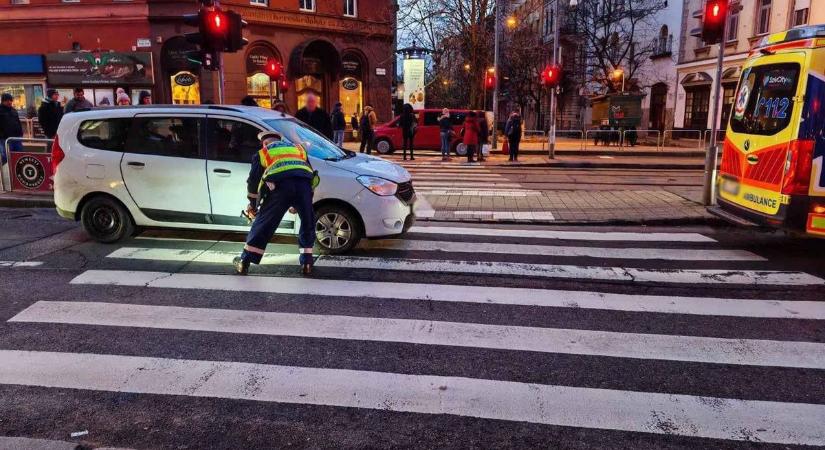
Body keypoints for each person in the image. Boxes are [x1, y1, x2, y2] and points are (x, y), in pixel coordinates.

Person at [234, 131, 319, 276]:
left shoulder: (263, 153)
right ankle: (307, 263)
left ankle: (244, 262)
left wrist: (253, 206)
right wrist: (299, 202)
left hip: (280, 188)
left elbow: (253, 183)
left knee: (264, 223)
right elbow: (309, 174)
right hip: (304, 186)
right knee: (307, 222)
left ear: (265, 143)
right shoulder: (298, 149)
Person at [0, 93, 23, 163]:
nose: (9, 102)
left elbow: (18, 122)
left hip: (17, 138)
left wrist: (21, 132)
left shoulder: (13, 110)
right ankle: (5, 172)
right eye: (7, 100)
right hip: (5, 139)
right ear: (3, 101)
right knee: (6, 157)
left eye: (10, 100)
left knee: (18, 155)